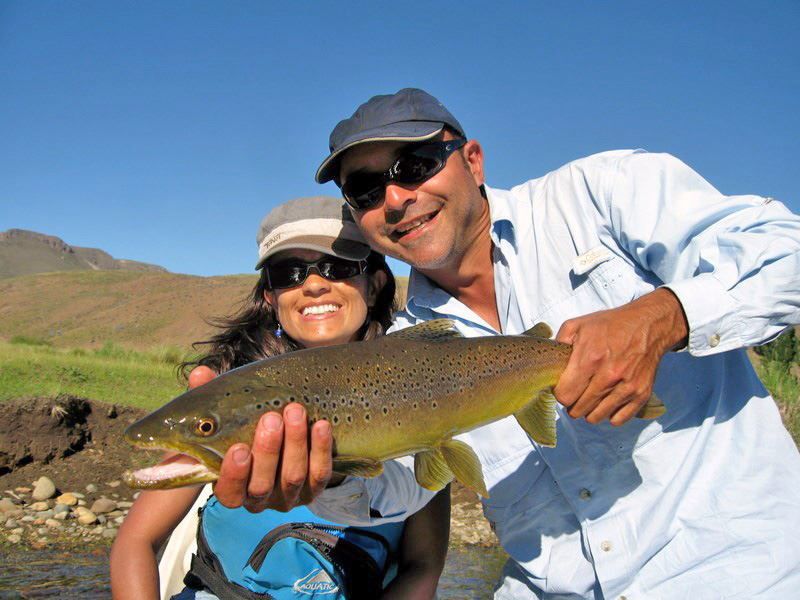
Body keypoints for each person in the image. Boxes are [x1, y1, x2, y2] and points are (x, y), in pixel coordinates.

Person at [212, 88, 800, 599]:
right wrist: (330, 475)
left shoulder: (602, 194)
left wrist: (664, 316)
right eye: (365, 190)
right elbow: (401, 492)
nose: (394, 199)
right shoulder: (398, 350)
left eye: (415, 165)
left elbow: (785, 253)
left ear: (473, 159)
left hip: (746, 575)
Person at [110, 196, 450, 600]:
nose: (313, 283)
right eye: (288, 272)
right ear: (270, 297)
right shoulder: (223, 406)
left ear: (374, 284)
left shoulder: (429, 399)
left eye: (338, 266)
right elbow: (135, 543)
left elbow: (423, 566)